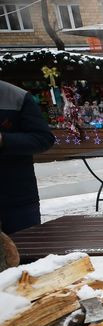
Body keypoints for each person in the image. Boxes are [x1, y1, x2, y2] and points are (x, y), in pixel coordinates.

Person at [0, 80, 55, 235]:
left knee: (25, 255)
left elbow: (43, 139)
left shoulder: (16, 97)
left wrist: (4, 140)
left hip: (15, 201)